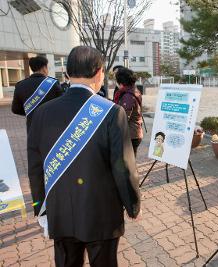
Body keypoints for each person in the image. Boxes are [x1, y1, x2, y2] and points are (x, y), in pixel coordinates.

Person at [27, 46, 141, 267]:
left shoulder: (41, 113)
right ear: (99, 72)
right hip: (102, 213)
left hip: (60, 211)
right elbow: (123, 167)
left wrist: (41, 208)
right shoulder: (111, 111)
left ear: (67, 74)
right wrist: (133, 205)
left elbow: (35, 167)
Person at [11, 56, 63, 131]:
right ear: (44, 68)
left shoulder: (20, 85)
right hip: (51, 127)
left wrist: (30, 111)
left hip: (32, 127)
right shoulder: (53, 83)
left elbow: (15, 109)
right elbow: (61, 105)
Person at [114, 68, 143, 156]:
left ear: (121, 82)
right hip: (135, 132)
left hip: (131, 134)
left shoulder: (128, 96)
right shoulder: (133, 90)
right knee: (130, 161)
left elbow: (123, 118)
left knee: (128, 163)